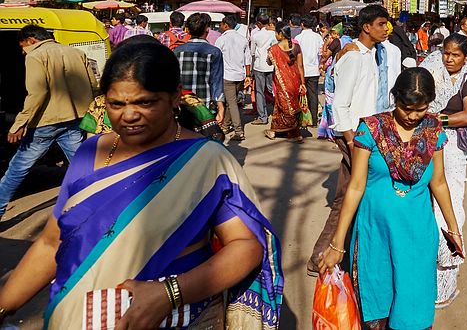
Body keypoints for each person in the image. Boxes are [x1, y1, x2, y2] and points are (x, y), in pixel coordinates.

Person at [0, 41, 283, 328]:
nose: (129, 115)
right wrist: (3, 306)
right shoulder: (90, 152)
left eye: (144, 102)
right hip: (72, 314)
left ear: (174, 97)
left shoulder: (206, 160)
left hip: (171, 318)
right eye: (116, 104)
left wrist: (169, 294)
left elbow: (246, 246)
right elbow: (52, 243)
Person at [316, 67, 464, 330]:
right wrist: (338, 243)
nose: (412, 116)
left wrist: (453, 228)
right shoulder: (371, 129)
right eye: (406, 107)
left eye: (420, 109)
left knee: (412, 309)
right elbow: (356, 186)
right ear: (394, 98)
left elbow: (438, 182)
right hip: (376, 234)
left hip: (417, 235)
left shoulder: (433, 131)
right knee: (377, 305)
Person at [308, 4, 397, 273]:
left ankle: (337, 253)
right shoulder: (354, 57)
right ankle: (324, 255)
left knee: (349, 194)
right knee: (352, 195)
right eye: (381, 24)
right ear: (366, 27)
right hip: (355, 133)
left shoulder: (376, 54)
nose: (385, 29)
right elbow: (341, 105)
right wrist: (350, 142)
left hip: (370, 131)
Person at [0, 26, 96, 223]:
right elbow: (93, 84)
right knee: (82, 166)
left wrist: (19, 123)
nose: (22, 51)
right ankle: (96, 207)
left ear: (31, 40)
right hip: (75, 119)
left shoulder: (35, 56)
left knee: (17, 170)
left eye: (23, 47)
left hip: (45, 123)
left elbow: (38, 93)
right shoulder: (76, 52)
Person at [420, 33, 467, 308]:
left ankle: (446, 280)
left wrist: (436, 119)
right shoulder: (434, 72)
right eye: (446, 53)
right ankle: (427, 273)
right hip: (428, 144)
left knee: (449, 209)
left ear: (465, 57)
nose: (449, 58)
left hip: (453, 149)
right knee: (428, 209)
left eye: (455, 55)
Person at [173, 12, 226, 126]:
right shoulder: (214, 52)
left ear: (188, 30)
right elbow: (217, 81)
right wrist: (220, 105)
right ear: (207, 30)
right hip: (204, 106)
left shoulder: (177, 51)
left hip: (181, 104)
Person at [264, 23, 307, 142]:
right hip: (296, 82)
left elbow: (268, 62)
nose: (275, 35)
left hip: (283, 83)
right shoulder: (297, 47)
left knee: (288, 108)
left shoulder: (274, 49)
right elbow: (300, 66)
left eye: (276, 33)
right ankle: (274, 130)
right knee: (280, 106)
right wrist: (303, 83)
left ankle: (294, 133)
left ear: (280, 34)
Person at [216, 14, 251, 142]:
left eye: (221, 24)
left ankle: (238, 131)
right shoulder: (242, 39)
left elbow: (216, 57)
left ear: (226, 25)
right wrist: (248, 75)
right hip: (239, 75)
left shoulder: (221, 40)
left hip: (227, 75)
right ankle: (225, 126)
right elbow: (248, 59)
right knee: (233, 101)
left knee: (232, 103)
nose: (220, 27)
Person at [294, 14, 324, 125]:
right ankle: (314, 120)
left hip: (301, 70)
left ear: (302, 24)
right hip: (313, 70)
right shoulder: (317, 37)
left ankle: (301, 119)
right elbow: (321, 53)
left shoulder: (298, 38)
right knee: (313, 95)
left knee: (300, 95)